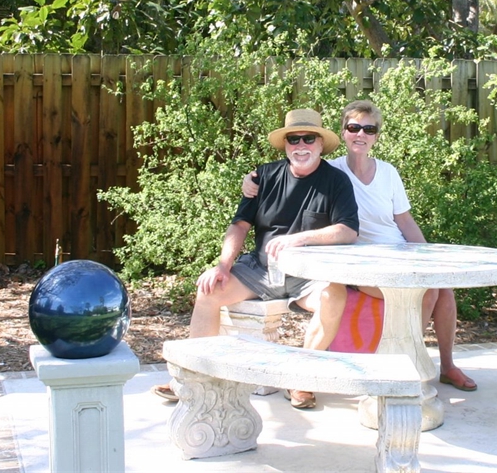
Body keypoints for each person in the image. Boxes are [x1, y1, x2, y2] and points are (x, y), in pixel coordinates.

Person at [242, 100, 477, 392]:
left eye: (369, 129)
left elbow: (404, 222)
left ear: (376, 135)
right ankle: (404, 368)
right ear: (343, 132)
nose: (360, 134)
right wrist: (251, 181)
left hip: (398, 253)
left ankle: (447, 365)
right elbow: (291, 173)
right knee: (427, 290)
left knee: (443, 288)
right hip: (359, 262)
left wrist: (430, 258)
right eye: (354, 127)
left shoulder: (389, 172)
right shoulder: (331, 173)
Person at [152, 108, 360, 407]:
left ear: (320, 143)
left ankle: (300, 380)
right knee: (208, 290)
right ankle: (192, 378)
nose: (301, 145)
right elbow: (239, 225)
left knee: (335, 297)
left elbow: (348, 230)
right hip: (261, 270)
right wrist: (222, 265)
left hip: (309, 276)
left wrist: (300, 239)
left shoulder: (336, 181)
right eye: (293, 139)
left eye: (308, 138)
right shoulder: (262, 176)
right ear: (286, 144)